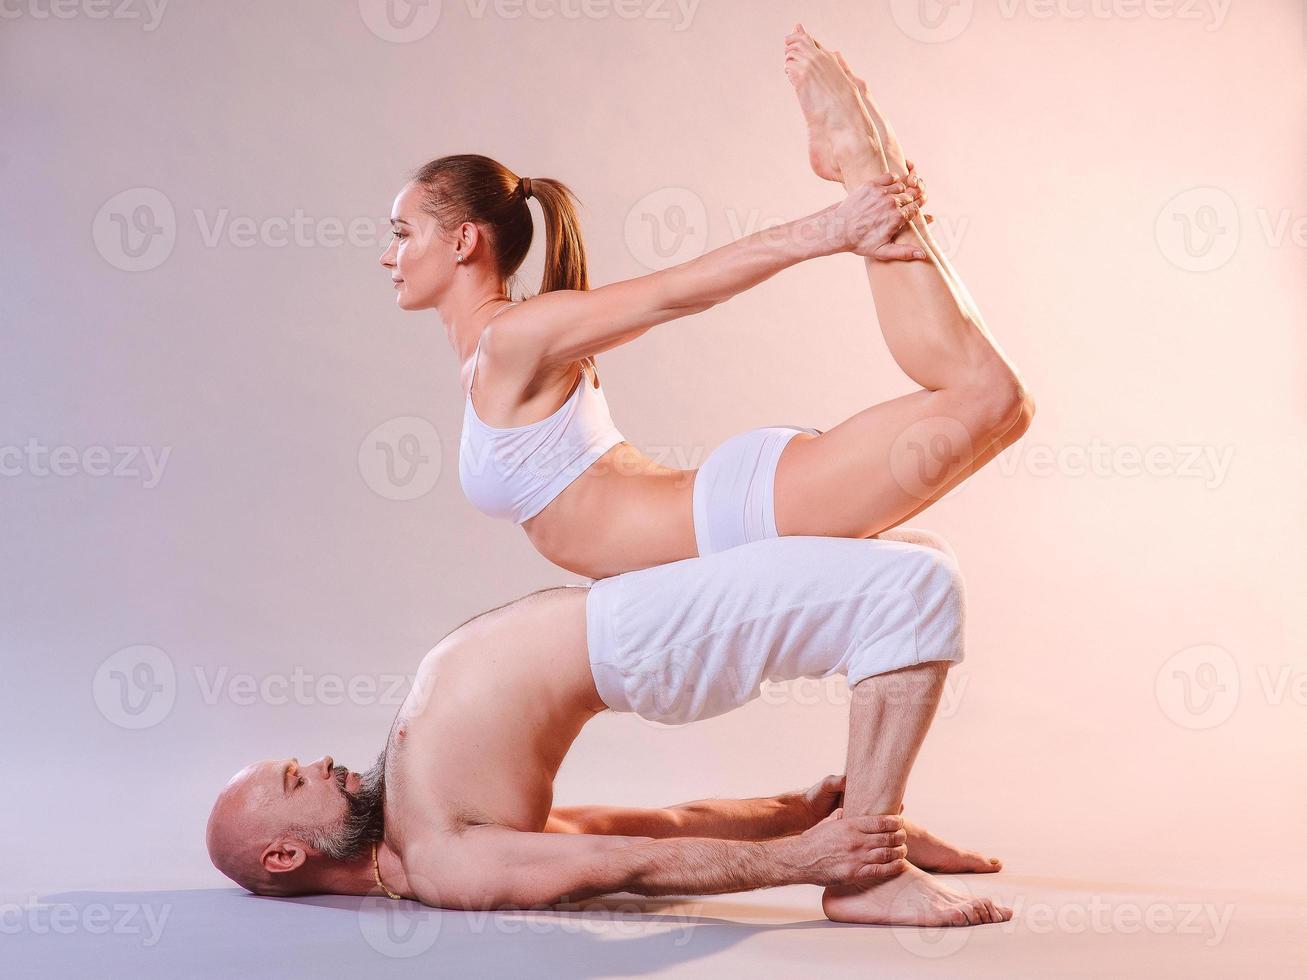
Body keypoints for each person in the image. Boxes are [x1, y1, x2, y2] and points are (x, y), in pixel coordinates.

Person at [379, 26, 1034, 581]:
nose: (388, 256)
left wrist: (832, 230)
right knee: (1006, 407)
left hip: (732, 514)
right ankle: (864, 161)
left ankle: (865, 158)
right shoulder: (505, 344)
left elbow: (679, 290)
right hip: (724, 511)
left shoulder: (511, 336)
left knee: (990, 398)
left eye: (402, 233)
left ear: (463, 240)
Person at [207, 531, 1013, 926]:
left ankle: (878, 836)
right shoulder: (447, 864)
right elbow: (630, 863)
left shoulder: (419, 828)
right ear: (283, 855)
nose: (315, 761)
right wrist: (803, 862)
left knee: (913, 555)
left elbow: (655, 825)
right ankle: (867, 882)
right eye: (294, 779)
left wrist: (804, 812)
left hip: (630, 626)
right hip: (639, 642)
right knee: (914, 585)